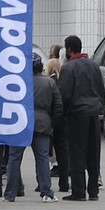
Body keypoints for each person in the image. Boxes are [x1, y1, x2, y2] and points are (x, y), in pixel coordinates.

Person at [4, 53, 62, 203]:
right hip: (42, 122)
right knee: (42, 158)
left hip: (20, 122)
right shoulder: (49, 83)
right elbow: (58, 107)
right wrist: (52, 123)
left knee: (14, 158)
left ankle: (10, 193)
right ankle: (46, 192)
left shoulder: (18, 83)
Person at [59, 35, 104, 201]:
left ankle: (78, 191)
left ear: (69, 50)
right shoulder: (94, 65)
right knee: (93, 153)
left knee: (77, 152)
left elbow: (64, 93)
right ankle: (93, 191)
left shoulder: (69, 68)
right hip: (93, 112)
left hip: (77, 114)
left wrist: (62, 114)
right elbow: (100, 89)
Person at [46, 57, 70, 192]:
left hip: (51, 120)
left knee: (44, 153)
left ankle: (43, 183)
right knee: (63, 152)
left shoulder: (49, 82)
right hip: (64, 121)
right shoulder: (63, 81)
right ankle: (64, 182)